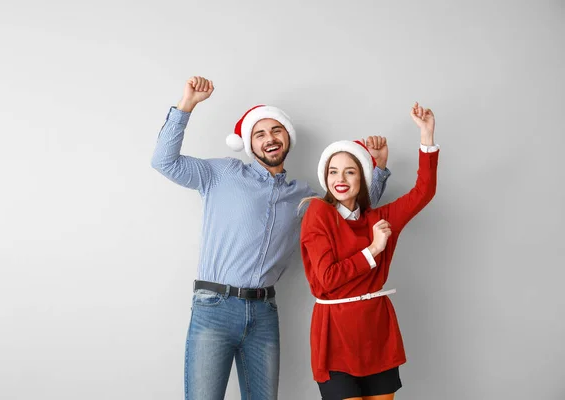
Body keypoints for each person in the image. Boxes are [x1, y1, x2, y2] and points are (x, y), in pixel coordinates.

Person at [151, 76, 392, 400]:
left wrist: (377, 170)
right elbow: (163, 161)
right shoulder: (220, 174)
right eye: (260, 133)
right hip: (214, 308)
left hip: (264, 312)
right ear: (250, 144)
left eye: (276, 130)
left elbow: (354, 208)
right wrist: (186, 106)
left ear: (287, 139)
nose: (270, 139)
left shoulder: (306, 199)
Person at [300, 102, 439, 400]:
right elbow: (327, 279)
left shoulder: (380, 219)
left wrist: (426, 136)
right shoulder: (318, 212)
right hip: (335, 332)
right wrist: (374, 249)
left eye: (349, 172)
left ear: (362, 177)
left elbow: (423, 191)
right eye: (333, 172)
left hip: (376, 329)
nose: (340, 179)